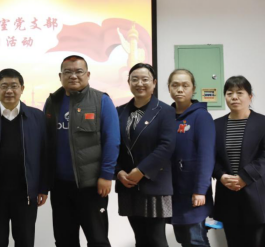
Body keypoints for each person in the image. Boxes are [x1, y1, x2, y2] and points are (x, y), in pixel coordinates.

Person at [44, 55, 120, 247]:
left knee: (97, 240)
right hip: (60, 186)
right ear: (60, 76)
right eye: (68, 72)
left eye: (79, 71)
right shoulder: (52, 102)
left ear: (88, 74)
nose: (73, 76)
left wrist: (106, 175)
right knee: (64, 240)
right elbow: (46, 141)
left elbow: (112, 141)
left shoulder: (101, 100)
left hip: (91, 185)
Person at [0, 69, 49, 248]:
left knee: (25, 241)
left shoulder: (37, 117)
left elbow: (45, 155)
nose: (9, 91)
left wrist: (43, 188)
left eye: (14, 86)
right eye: (4, 86)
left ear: (22, 88)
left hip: (25, 193)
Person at [116, 63, 177, 248]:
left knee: (156, 240)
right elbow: (112, 146)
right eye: (134, 79)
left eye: (145, 79)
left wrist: (141, 170)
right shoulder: (119, 111)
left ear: (154, 83)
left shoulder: (165, 111)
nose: (139, 83)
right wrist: (118, 172)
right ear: (128, 82)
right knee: (140, 239)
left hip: (154, 182)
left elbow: (166, 146)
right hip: (128, 183)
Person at [214, 76, 265, 248]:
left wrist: (244, 177)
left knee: (256, 241)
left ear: (250, 97)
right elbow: (211, 157)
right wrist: (221, 175)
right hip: (227, 191)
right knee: (233, 241)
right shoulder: (216, 125)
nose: (234, 97)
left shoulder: (264, 123)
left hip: (255, 192)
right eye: (229, 93)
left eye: (239, 93)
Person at [168, 70, 215, 248]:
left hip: (194, 192)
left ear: (193, 89)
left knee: (196, 240)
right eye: (175, 85)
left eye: (185, 85)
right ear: (169, 88)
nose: (180, 89)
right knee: (183, 239)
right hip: (172, 191)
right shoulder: (166, 115)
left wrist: (201, 190)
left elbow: (206, 156)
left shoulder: (201, 116)